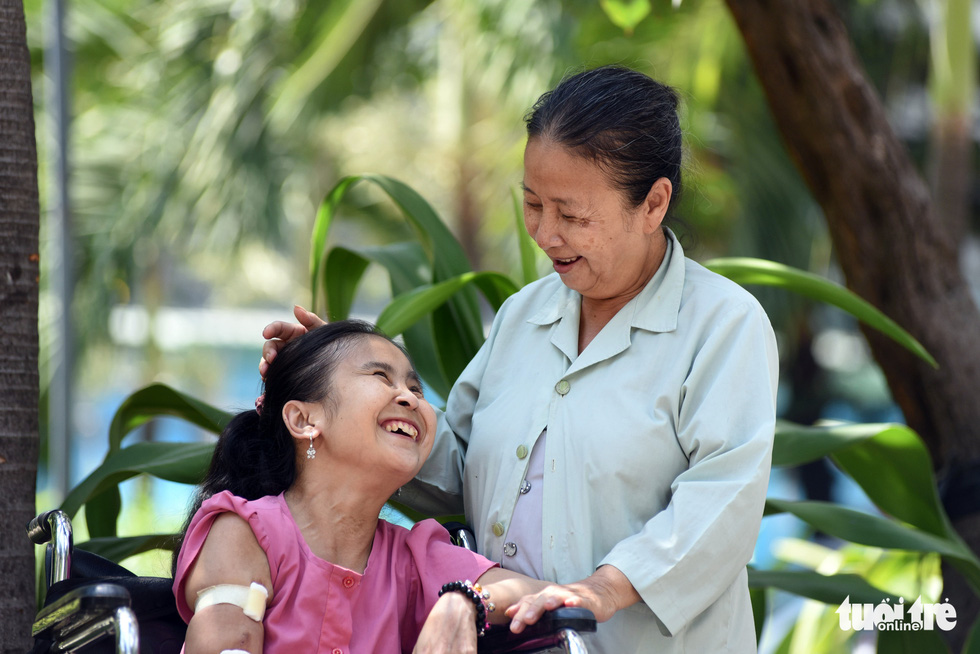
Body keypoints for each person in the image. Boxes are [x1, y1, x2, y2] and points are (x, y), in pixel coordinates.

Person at [262, 65, 779, 653]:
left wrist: (604, 589)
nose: (544, 233)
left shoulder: (722, 325)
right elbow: (458, 471)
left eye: (573, 215)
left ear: (654, 203)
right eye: (533, 204)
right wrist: (351, 393)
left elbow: (721, 504)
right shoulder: (522, 316)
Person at [173, 320, 563, 654]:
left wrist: (466, 601)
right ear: (304, 419)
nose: (409, 398)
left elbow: (538, 593)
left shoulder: (416, 557)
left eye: (417, 389)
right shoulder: (244, 532)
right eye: (381, 377)